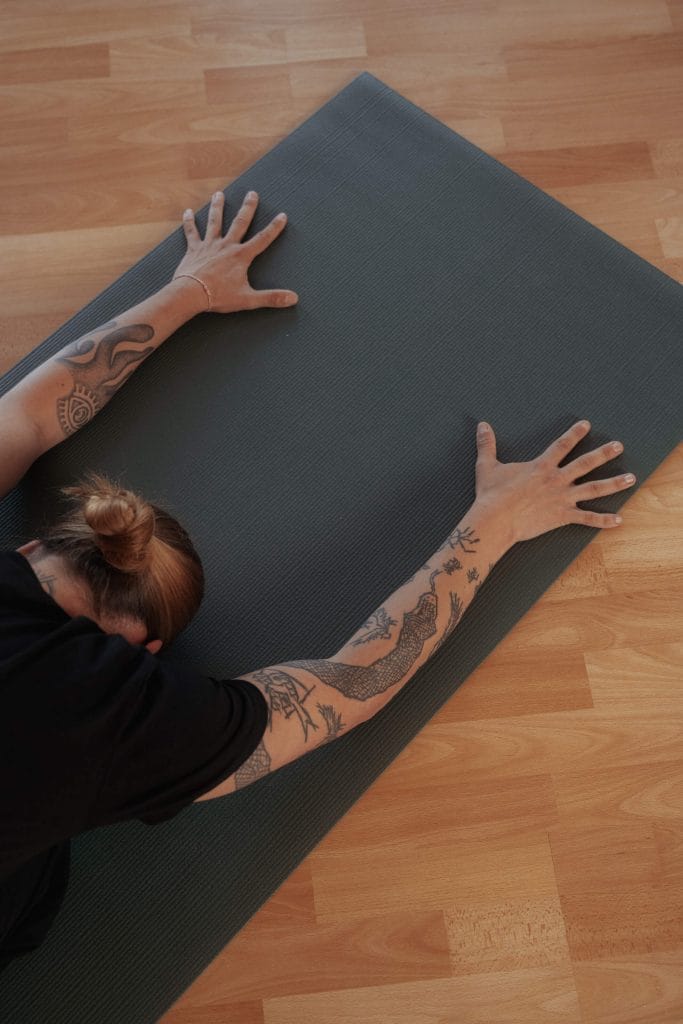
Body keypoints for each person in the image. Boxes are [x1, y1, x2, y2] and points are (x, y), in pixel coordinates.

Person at [0, 189, 637, 971]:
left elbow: (23, 420)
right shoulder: (113, 714)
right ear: (146, 650)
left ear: (30, 547)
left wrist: (190, 289)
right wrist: (494, 522)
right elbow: (347, 691)